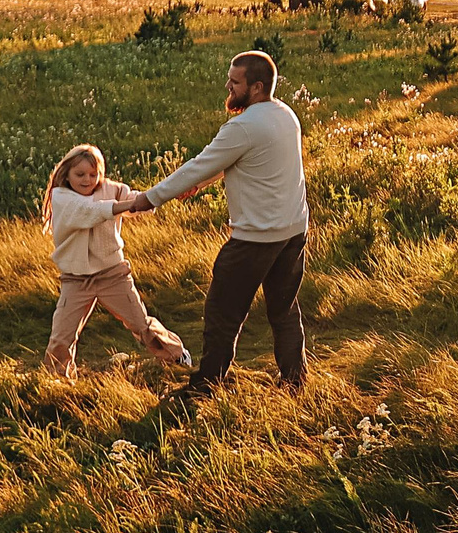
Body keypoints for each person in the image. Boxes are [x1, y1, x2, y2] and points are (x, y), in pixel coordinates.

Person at [122, 49, 311, 394]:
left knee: (222, 314)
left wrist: (149, 198)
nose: (228, 86)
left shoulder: (243, 127)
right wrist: (201, 184)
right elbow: (242, 161)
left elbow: (200, 163)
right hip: (293, 232)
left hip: (255, 240)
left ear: (256, 87)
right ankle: (294, 383)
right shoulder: (285, 115)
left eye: (235, 81)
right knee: (284, 312)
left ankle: (206, 385)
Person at [40, 143, 191, 379]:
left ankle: (177, 357)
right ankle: (57, 379)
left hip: (112, 274)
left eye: (93, 174)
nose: (87, 180)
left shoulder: (112, 189)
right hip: (76, 280)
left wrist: (168, 192)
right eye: (80, 174)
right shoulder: (61, 196)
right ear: (66, 174)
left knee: (141, 325)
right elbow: (90, 211)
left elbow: (141, 201)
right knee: (62, 335)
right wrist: (128, 205)